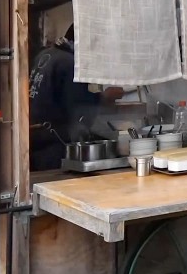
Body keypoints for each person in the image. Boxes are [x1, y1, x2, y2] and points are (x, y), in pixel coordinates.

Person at [28, 25, 124, 170]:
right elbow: (79, 108)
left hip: (35, 139)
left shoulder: (46, 54)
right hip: (54, 144)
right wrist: (104, 97)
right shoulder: (69, 63)